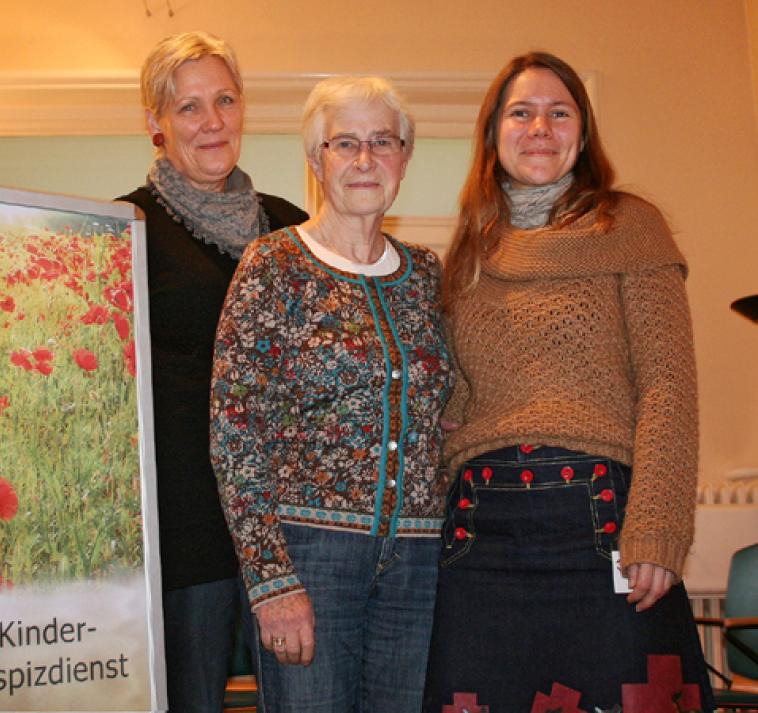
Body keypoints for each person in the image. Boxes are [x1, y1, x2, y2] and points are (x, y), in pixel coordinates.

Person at [422, 52, 714, 712]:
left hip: (602, 525)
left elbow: (668, 382)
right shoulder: (471, 250)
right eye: (520, 113)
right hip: (479, 536)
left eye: (560, 112)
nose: (540, 128)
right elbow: (465, 395)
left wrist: (658, 529)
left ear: (582, 134)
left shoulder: (630, 227)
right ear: (493, 134)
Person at [210, 75, 452, 713]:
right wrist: (270, 581)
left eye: (383, 141)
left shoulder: (429, 274)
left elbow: (454, 409)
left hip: (421, 567)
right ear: (317, 161)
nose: (366, 159)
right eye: (345, 143)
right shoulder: (272, 265)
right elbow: (235, 435)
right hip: (310, 563)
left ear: (404, 157)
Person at [116, 31, 307, 713]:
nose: (213, 121)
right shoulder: (125, 227)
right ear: (156, 124)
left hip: (291, 536)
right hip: (185, 541)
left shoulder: (294, 232)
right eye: (189, 106)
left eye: (224, 100)